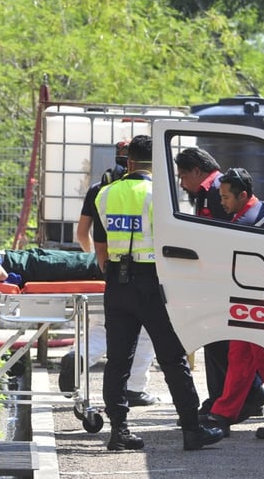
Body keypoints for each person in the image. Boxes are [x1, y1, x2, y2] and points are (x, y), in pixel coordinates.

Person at [93, 135, 223, 451]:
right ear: (156, 164)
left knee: (117, 362)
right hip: (152, 284)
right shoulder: (159, 195)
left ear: (130, 161)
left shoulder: (105, 194)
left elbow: (100, 246)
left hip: (117, 283)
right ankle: (192, 430)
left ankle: (118, 432)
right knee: (172, 357)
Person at [203, 167, 264, 440]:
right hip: (256, 297)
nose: (221, 201)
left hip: (260, 298)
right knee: (241, 355)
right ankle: (224, 413)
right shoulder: (262, 210)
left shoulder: (246, 222)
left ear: (242, 195)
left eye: (225, 197)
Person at [174, 148, 264, 419]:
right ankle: (224, 396)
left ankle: (244, 393)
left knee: (221, 341)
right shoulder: (209, 191)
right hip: (216, 278)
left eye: (183, 176)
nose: (181, 183)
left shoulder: (217, 190)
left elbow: (226, 236)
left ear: (197, 171)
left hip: (227, 279)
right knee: (216, 341)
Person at [70, 141, 159, 407]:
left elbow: (82, 234)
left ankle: (80, 355)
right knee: (144, 336)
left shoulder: (101, 191)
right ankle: (134, 388)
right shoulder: (155, 192)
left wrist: (96, 263)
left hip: (108, 271)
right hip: (146, 273)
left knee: (104, 328)